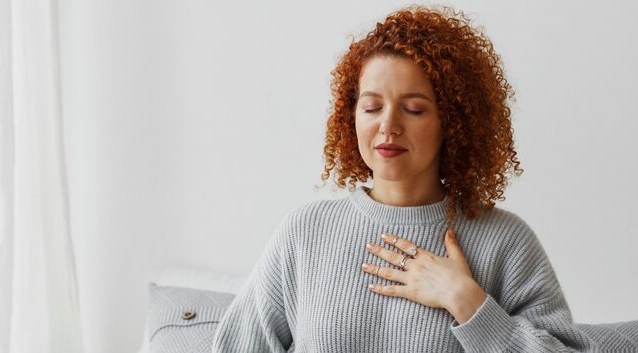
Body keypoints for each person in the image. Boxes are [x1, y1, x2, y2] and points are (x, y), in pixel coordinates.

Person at [212, 5, 592, 352]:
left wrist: (466, 301)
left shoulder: (505, 242)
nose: (388, 126)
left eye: (413, 109)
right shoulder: (305, 233)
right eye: (372, 106)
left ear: (453, 123)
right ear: (352, 116)